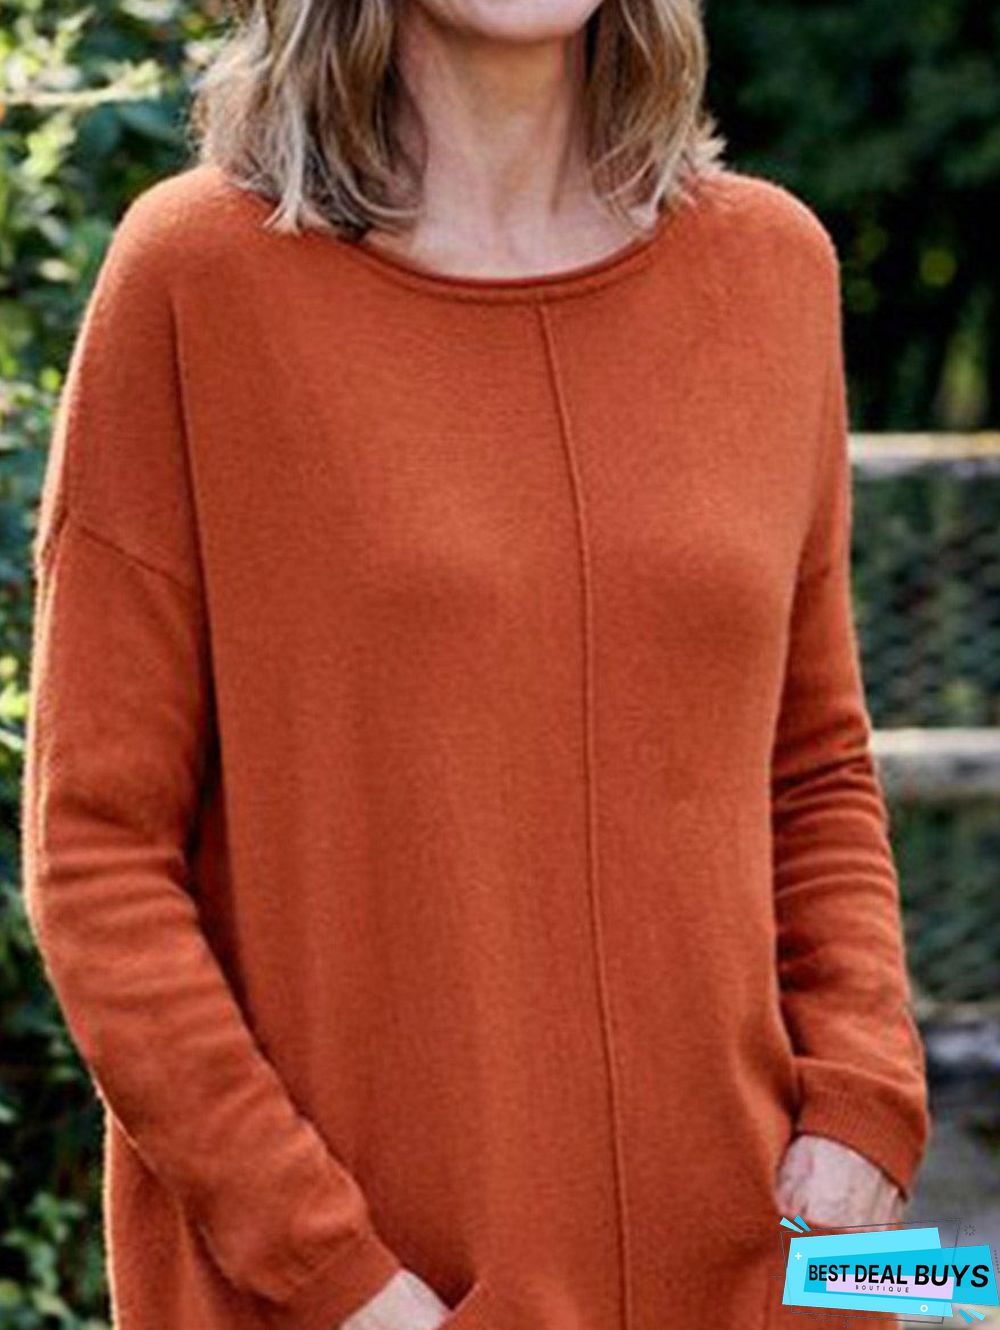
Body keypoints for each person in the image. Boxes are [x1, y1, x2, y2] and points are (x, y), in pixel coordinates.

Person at [20, 0, 931, 1327]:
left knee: (964, 1299)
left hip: (785, 1263)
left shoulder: (776, 267)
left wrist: (867, 1106)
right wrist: (336, 1274)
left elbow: (817, 760)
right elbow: (97, 851)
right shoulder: (194, 274)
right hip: (374, 1295)